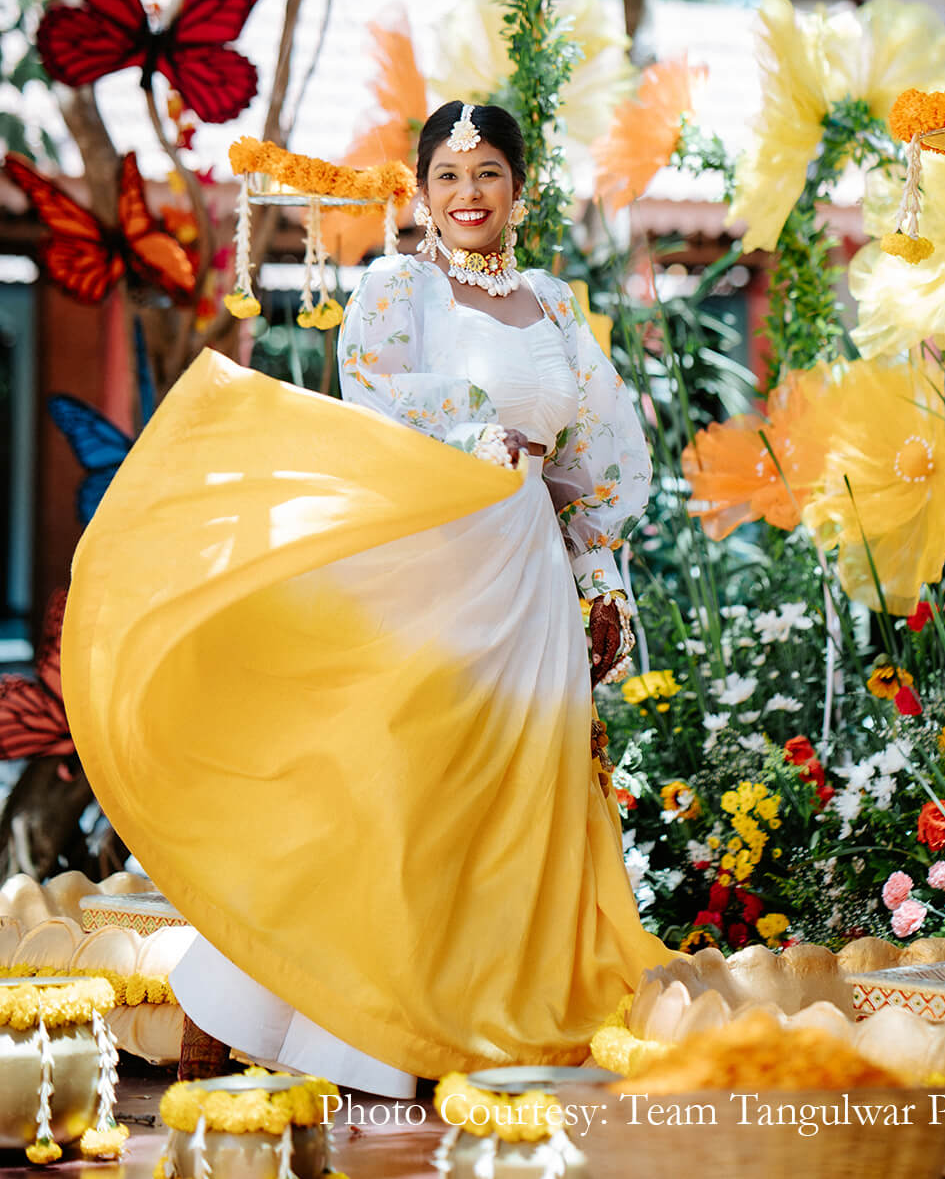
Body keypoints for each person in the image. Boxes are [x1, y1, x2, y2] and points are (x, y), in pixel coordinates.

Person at [61, 100, 671, 1097]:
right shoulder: (399, 287)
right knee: (401, 788)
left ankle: (458, 1018)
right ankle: (273, 1011)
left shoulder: (553, 305)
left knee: (509, 809)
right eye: (446, 177)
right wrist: (479, 431)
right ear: (422, 192)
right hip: (432, 560)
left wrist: (598, 584)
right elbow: (376, 390)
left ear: (518, 189)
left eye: (485, 176)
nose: (466, 196)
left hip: (527, 581)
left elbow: (593, 461)